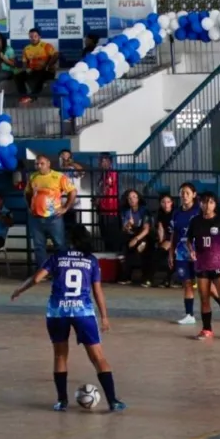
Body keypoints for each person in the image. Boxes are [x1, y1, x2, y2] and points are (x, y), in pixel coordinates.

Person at [10, 226, 126, 412]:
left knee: (60, 355)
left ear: (69, 240)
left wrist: (20, 289)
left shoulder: (57, 257)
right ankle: (112, 400)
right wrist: (104, 316)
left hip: (58, 312)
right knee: (98, 357)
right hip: (83, 312)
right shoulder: (91, 261)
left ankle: (62, 401)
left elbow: (38, 278)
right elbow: (97, 290)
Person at [186, 191, 220, 341]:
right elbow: (189, 240)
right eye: (204, 202)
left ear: (215, 204)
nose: (207, 206)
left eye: (210, 202)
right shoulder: (195, 221)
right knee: (204, 299)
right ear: (200, 204)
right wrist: (191, 251)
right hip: (201, 266)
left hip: (219, 265)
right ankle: (207, 329)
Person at [25, 154, 76, 270]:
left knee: (60, 244)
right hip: (36, 217)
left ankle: (62, 270)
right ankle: (43, 271)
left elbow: (72, 191)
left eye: (42, 163)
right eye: (37, 164)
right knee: (39, 246)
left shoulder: (58, 177)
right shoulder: (33, 177)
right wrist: (30, 206)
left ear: (48, 163)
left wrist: (66, 207)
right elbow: (27, 193)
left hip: (54, 217)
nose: (39, 166)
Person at [168, 182, 203, 325]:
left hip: (198, 252)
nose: (184, 195)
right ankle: (189, 315)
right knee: (187, 283)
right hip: (182, 253)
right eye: (182, 192)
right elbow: (173, 234)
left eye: (187, 193)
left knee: (204, 284)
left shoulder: (199, 211)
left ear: (194, 195)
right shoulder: (176, 213)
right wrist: (171, 253)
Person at [117, 189, 153, 285]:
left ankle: (146, 277)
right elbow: (124, 229)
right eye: (129, 198)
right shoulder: (126, 211)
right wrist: (128, 224)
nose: (132, 200)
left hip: (143, 235)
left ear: (138, 198)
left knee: (140, 248)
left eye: (134, 197)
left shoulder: (144, 210)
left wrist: (136, 239)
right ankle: (126, 276)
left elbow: (146, 229)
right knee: (123, 247)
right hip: (130, 234)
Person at [16, 28, 57, 104]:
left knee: (39, 76)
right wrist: (25, 69)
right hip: (33, 70)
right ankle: (24, 96)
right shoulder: (26, 48)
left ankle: (32, 97)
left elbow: (56, 55)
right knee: (18, 76)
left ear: (39, 37)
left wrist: (48, 65)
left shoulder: (46, 46)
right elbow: (24, 62)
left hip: (47, 71)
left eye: (35, 36)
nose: (33, 38)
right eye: (31, 36)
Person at [153, 193, 174, 287]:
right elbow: (160, 229)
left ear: (172, 203)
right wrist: (161, 242)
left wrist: (171, 242)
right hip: (166, 240)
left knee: (171, 254)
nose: (166, 204)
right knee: (158, 252)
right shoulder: (159, 215)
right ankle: (149, 278)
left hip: (177, 239)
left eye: (168, 202)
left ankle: (169, 279)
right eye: (163, 202)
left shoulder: (176, 213)